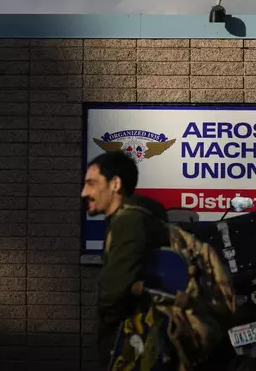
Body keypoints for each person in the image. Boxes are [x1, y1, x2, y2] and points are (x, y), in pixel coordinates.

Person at [81, 150, 170, 368]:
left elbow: (114, 289)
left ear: (115, 184)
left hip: (133, 341)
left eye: (92, 183)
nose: (84, 192)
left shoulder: (128, 221)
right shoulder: (136, 216)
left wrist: (107, 326)